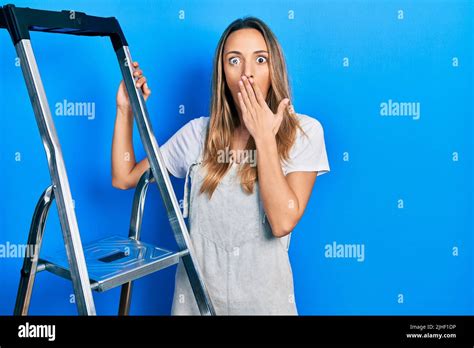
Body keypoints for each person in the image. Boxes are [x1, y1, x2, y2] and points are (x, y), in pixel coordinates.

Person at [111, 16, 330, 315]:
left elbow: (282, 222)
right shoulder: (198, 134)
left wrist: (263, 137)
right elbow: (124, 177)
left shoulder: (305, 132)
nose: (247, 74)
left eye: (260, 60)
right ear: (222, 73)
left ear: (274, 67)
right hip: (196, 304)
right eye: (234, 60)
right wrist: (125, 109)